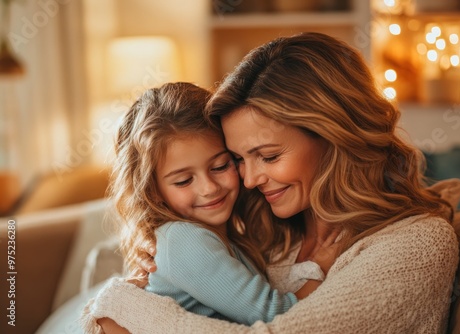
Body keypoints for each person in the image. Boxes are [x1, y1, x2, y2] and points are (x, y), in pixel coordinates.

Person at [82, 33, 459, 333]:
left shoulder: (416, 245)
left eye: (269, 156)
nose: (248, 179)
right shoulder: (270, 230)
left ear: (334, 137)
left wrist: (121, 307)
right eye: (240, 159)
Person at [83, 81, 339, 331]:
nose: (209, 188)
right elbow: (277, 315)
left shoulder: (222, 235)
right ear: (153, 191)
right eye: (184, 181)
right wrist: (322, 264)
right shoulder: (185, 240)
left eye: (220, 166)